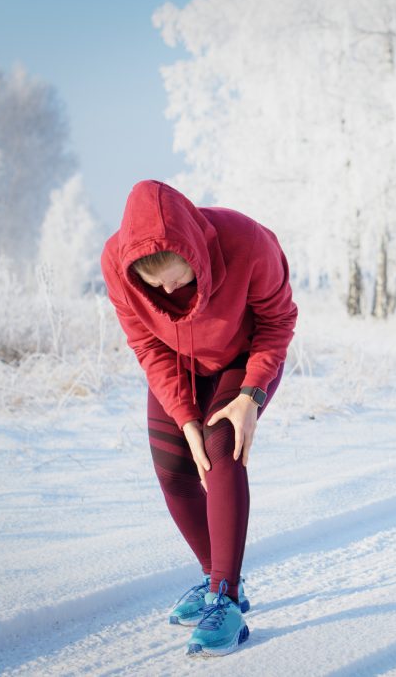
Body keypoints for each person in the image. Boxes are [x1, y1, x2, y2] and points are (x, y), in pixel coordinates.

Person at [100, 180, 297, 657]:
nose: (170, 291)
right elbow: (147, 344)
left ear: (197, 252)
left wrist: (251, 395)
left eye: (180, 279)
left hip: (244, 360)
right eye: (158, 285)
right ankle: (217, 579)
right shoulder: (114, 263)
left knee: (222, 448)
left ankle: (225, 601)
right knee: (174, 468)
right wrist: (185, 418)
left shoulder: (249, 242)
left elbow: (277, 321)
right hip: (179, 366)